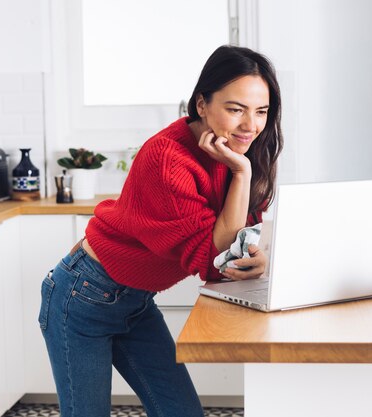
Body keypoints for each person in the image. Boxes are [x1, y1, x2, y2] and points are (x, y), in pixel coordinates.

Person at [38, 45, 283, 417]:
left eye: (261, 111)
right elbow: (214, 262)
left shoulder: (236, 148)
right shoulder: (168, 159)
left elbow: (241, 238)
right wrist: (241, 174)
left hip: (134, 300)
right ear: (201, 104)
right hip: (83, 296)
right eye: (235, 109)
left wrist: (256, 254)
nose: (251, 125)